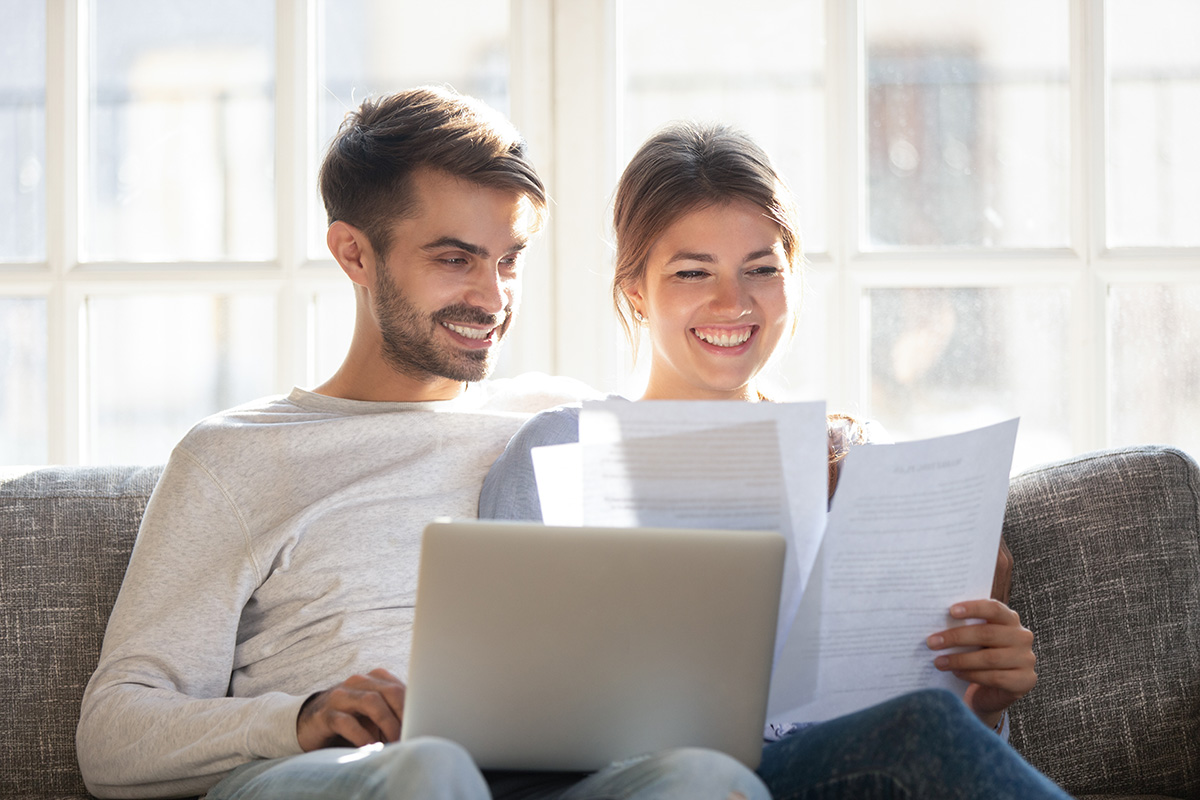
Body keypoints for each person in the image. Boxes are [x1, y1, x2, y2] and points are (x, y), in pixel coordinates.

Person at [76, 88, 770, 800]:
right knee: (431, 769)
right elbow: (112, 736)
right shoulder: (236, 457)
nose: (494, 299)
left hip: (546, 776)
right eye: (455, 260)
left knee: (704, 777)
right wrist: (300, 719)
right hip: (333, 772)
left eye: (510, 260)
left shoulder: (563, 421)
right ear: (354, 253)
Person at [479, 121, 1071, 799]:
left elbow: (933, 750)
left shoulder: (861, 459)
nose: (733, 302)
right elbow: (501, 717)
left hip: (832, 777)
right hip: (644, 784)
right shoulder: (558, 451)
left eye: (762, 269)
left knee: (925, 724)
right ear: (636, 290)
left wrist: (986, 697)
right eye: (692, 272)